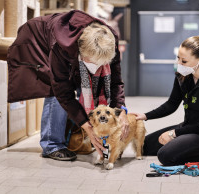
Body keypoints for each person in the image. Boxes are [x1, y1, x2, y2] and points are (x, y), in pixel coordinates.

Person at [7, 10, 129, 161]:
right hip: (36, 41)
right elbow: (63, 92)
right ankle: (52, 145)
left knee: (92, 84)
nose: (98, 67)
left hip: (71, 49)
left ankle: (72, 136)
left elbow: (115, 80)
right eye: (93, 63)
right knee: (55, 91)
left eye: (102, 63)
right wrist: (87, 127)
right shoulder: (61, 46)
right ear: (80, 53)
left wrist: (121, 110)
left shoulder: (109, 41)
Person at [133, 36, 199, 166]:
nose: (179, 64)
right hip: (189, 128)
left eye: (184, 61)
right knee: (142, 146)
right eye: (178, 58)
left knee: (165, 155)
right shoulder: (183, 76)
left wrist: (173, 134)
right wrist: (146, 116)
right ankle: (191, 148)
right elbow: (171, 105)